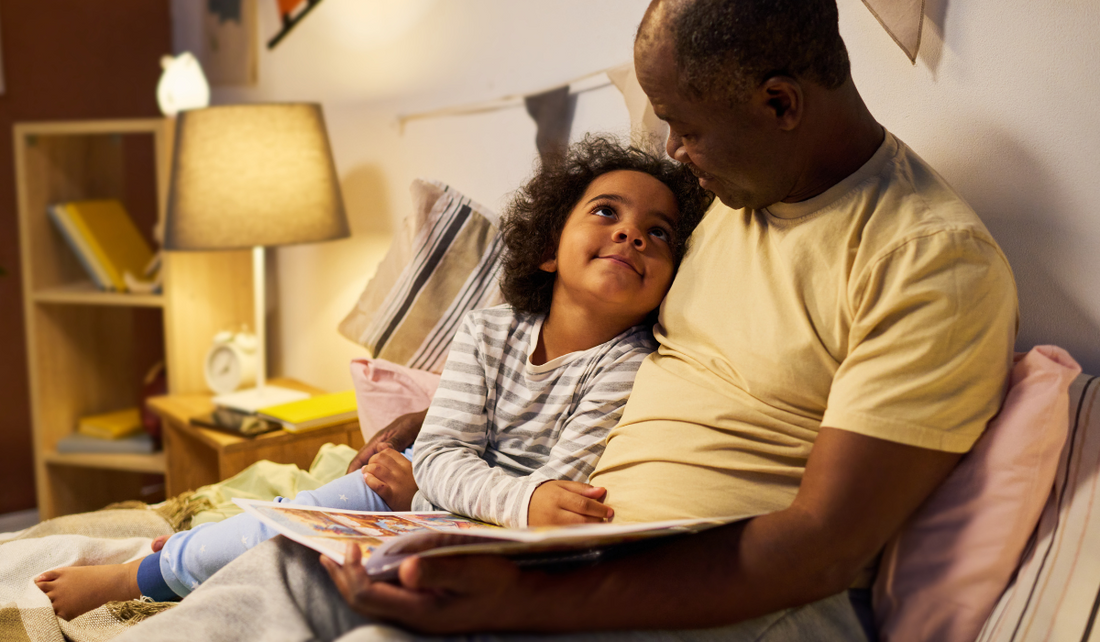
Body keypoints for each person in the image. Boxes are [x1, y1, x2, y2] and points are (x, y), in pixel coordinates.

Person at [111, 0, 1019, 639]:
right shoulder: (733, 199)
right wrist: (437, 425)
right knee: (288, 569)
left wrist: (514, 599)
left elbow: (819, 552)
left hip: (743, 602)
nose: (672, 153)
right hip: (562, 548)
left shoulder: (926, 259)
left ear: (779, 104)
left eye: (683, 125)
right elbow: (581, 344)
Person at [34, 135, 711, 621]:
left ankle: (183, 557)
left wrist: (444, 491)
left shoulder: (628, 364)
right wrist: (456, 485)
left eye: (659, 233)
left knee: (313, 551)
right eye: (606, 213)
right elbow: (450, 453)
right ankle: (139, 573)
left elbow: (555, 498)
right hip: (428, 486)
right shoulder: (485, 329)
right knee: (288, 522)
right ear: (545, 251)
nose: (632, 236)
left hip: (466, 521)